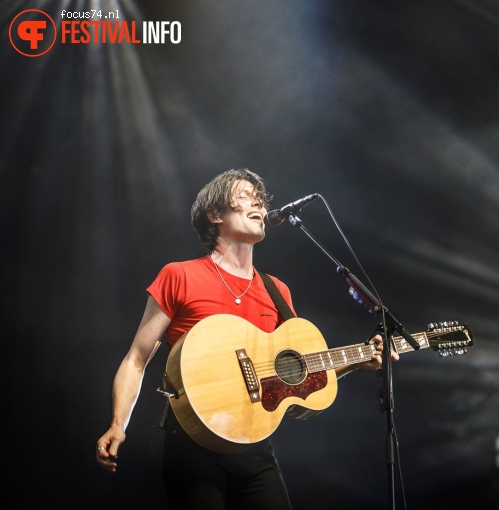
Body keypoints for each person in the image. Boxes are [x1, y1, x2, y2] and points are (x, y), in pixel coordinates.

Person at [96, 168, 397, 509]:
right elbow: (136, 360)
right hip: (193, 443)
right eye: (244, 196)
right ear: (215, 215)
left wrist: (359, 359)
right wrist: (118, 424)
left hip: (255, 447)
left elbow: (299, 375)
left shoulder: (276, 290)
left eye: (260, 198)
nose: (257, 202)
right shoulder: (179, 275)